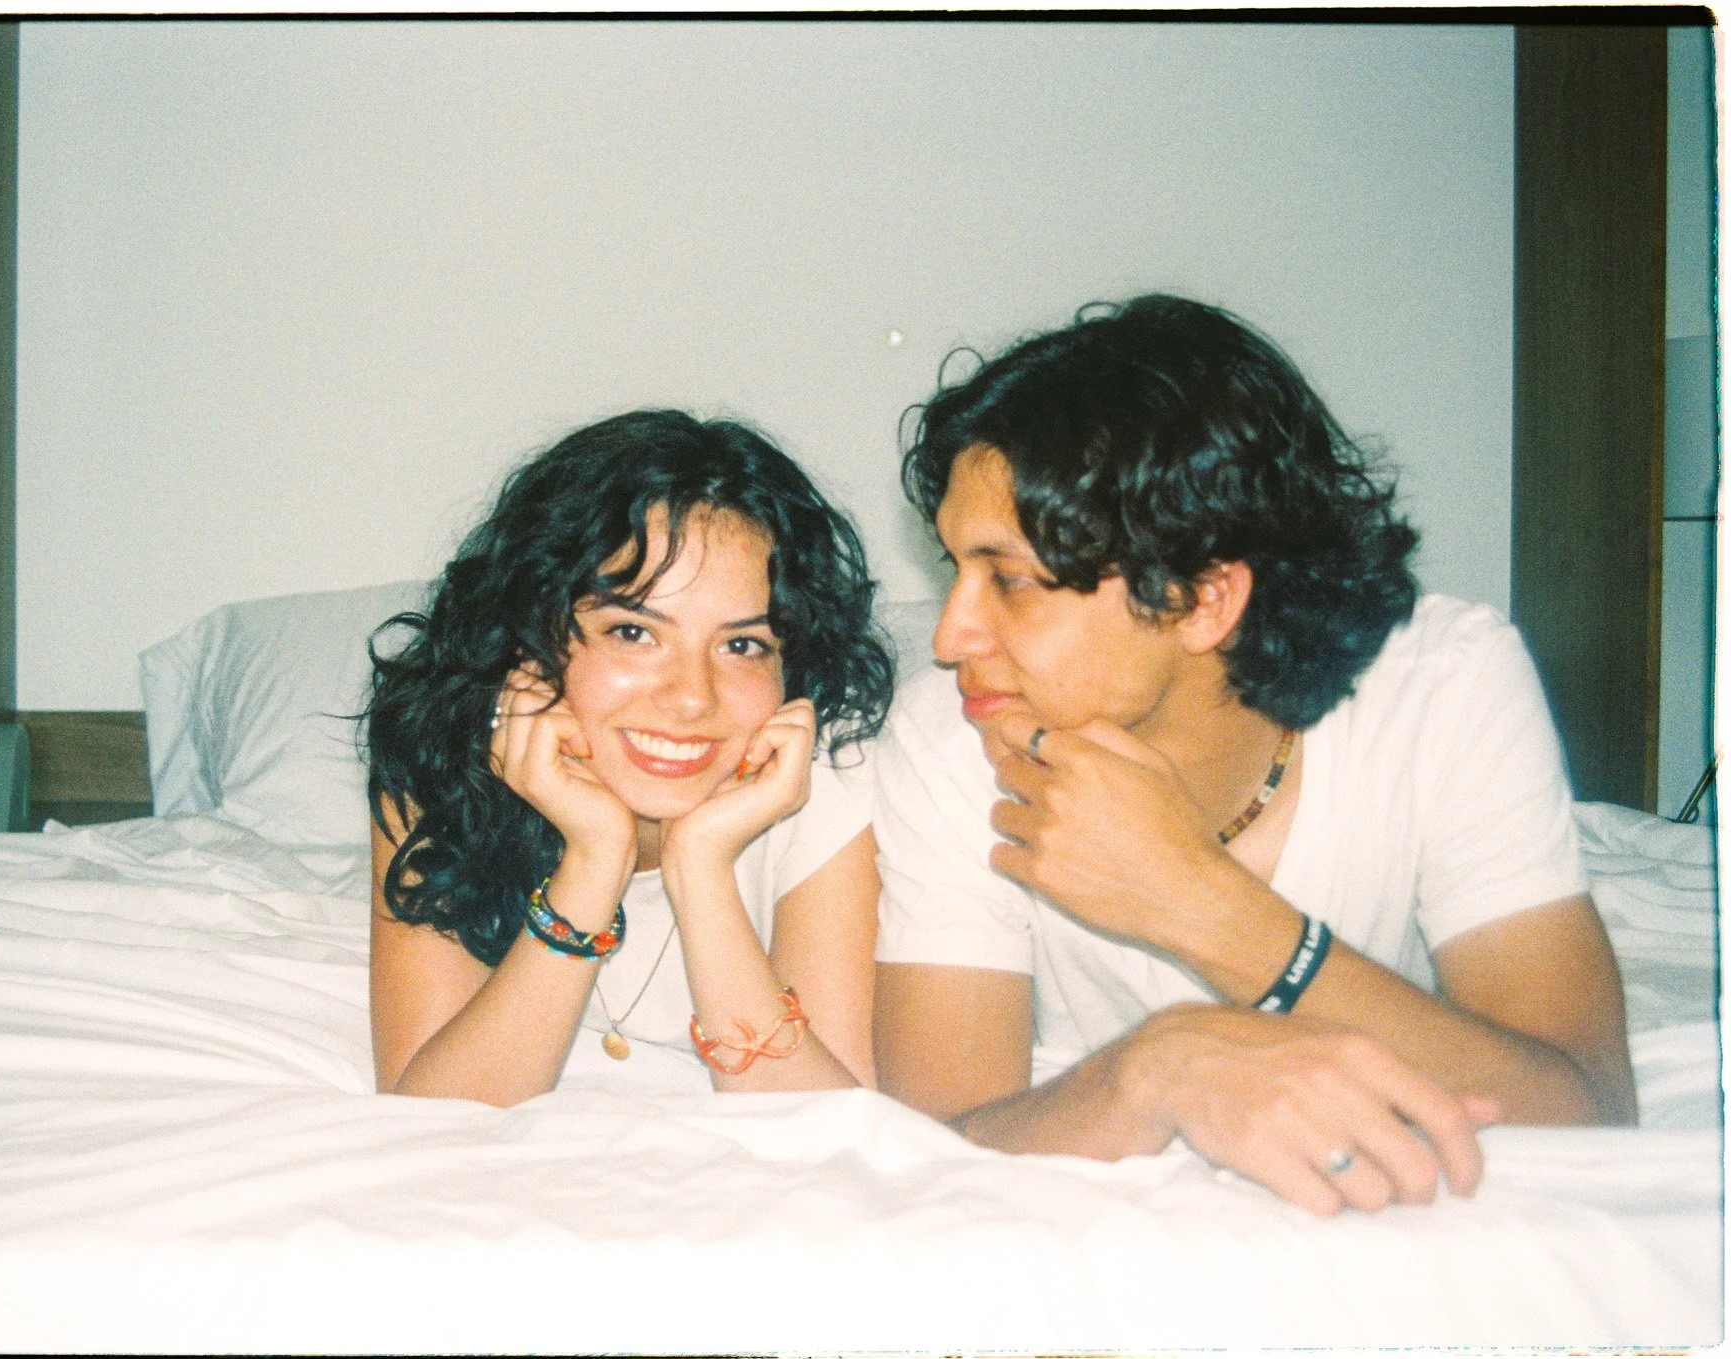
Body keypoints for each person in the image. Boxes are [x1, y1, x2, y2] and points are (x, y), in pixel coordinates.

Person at [871, 295, 1637, 1216]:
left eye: (1009, 580)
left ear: (1203, 599)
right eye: (954, 570)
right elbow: (935, 1153)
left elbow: (1588, 1112)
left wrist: (1203, 905)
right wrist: (1156, 1067)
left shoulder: (1442, 685)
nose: (949, 636)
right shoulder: (950, 739)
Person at [367, 409, 893, 1104]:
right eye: (634, 633)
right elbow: (434, 1114)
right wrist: (594, 859)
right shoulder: (443, 752)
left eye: (742, 645)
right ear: (530, 633)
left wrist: (701, 869)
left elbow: (824, 1124)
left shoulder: (822, 782)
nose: (691, 698)